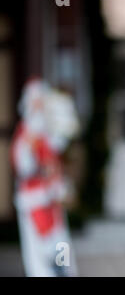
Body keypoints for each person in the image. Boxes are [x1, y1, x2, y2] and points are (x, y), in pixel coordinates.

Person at [11, 78, 79, 276]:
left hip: (53, 198)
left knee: (60, 244)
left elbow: (57, 157)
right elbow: (23, 165)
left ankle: (63, 271)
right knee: (38, 254)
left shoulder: (49, 131)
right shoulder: (25, 134)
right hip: (34, 201)